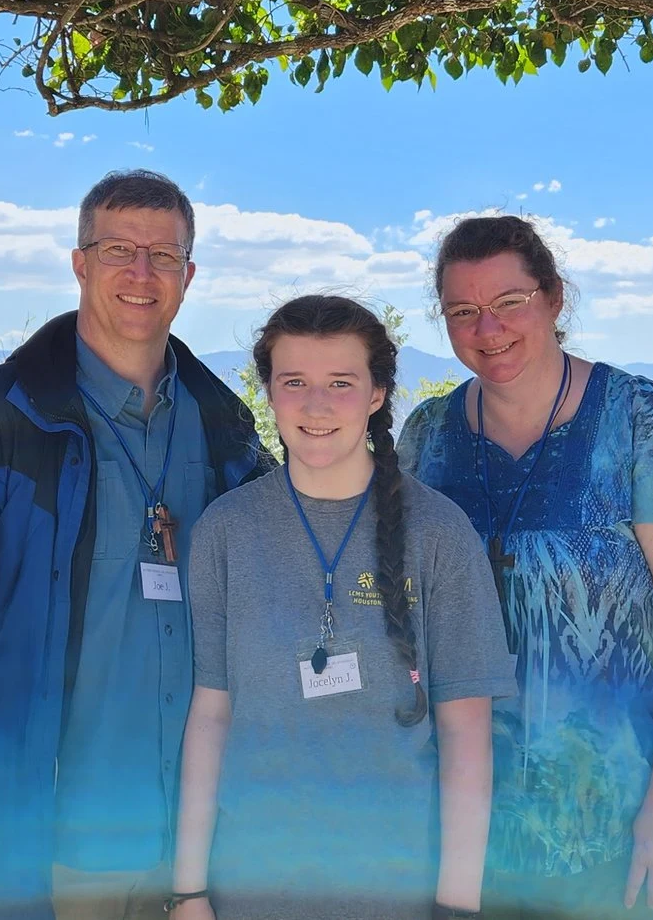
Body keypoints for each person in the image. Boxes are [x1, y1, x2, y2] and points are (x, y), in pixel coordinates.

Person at [0, 170, 271, 920]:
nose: (141, 273)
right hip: (42, 846)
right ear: (80, 263)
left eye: (163, 254)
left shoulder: (225, 427)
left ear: (189, 274)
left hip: (197, 851)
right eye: (118, 249)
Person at [399, 215, 653, 919]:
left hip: (635, 832)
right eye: (463, 311)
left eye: (510, 301)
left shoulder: (637, 422)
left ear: (554, 298)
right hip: (478, 838)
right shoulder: (428, 438)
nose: (488, 328)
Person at [170, 295, 516, 920]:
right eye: (294, 382)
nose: (316, 405)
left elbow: (466, 731)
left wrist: (457, 905)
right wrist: (189, 890)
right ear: (269, 393)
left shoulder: (439, 533)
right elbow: (211, 715)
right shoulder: (226, 529)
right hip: (250, 888)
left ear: (377, 393)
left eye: (340, 383)